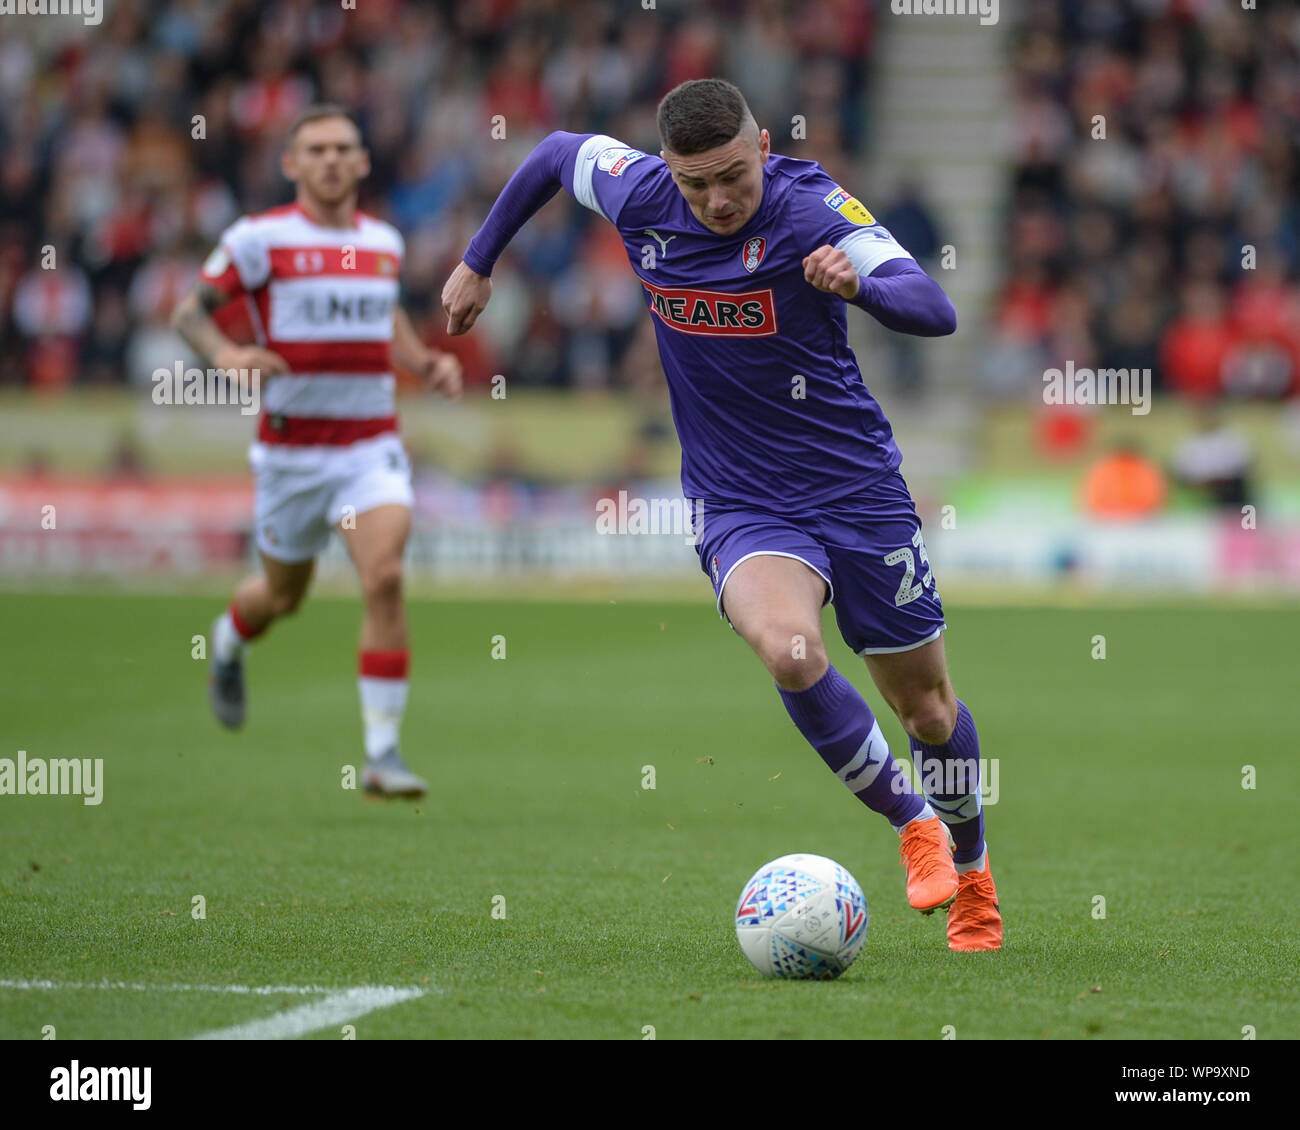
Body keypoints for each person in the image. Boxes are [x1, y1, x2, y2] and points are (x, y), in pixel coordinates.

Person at [441, 78, 999, 952]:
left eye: (733, 176)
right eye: (695, 185)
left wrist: (859, 285)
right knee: (789, 649)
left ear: (764, 146)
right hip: (740, 499)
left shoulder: (815, 210)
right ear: (668, 170)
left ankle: (974, 872)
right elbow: (553, 154)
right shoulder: (640, 195)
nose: (716, 200)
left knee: (928, 711)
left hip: (855, 490)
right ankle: (911, 823)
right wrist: (479, 259)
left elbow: (936, 309)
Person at [172, 104, 462, 799]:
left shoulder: (385, 243)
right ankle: (230, 640)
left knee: (384, 576)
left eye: (343, 149)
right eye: (316, 149)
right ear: (291, 164)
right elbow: (189, 314)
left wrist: (423, 362)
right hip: (290, 457)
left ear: (363, 162)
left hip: (369, 450)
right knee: (281, 596)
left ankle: (383, 754)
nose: (331, 160)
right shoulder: (258, 239)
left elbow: (382, 314)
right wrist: (228, 352)